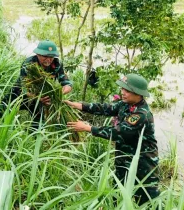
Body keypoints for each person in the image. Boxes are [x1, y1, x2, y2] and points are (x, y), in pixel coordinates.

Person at [65, 74, 159, 205]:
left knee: (147, 203)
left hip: (142, 167)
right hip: (124, 161)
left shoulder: (141, 114)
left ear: (138, 93)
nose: (123, 92)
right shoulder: (126, 104)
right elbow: (106, 108)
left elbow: (118, 133)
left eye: (127, 90)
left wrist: (89, 128)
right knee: (117, 198)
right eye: (122, 89)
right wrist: (81, 105)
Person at [2, 40, 72, 125]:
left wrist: (57, 94)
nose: (48, 60)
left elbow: (67, 84)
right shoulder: (28, 64)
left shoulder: (57, 64)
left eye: (51, 57)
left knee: (38, 123)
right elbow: (24, 89)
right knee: (3, 109)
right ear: (38, 54)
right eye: (45, 56)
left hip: (42, 97)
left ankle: (34, 134)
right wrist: (37, 97)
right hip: (21, 93)